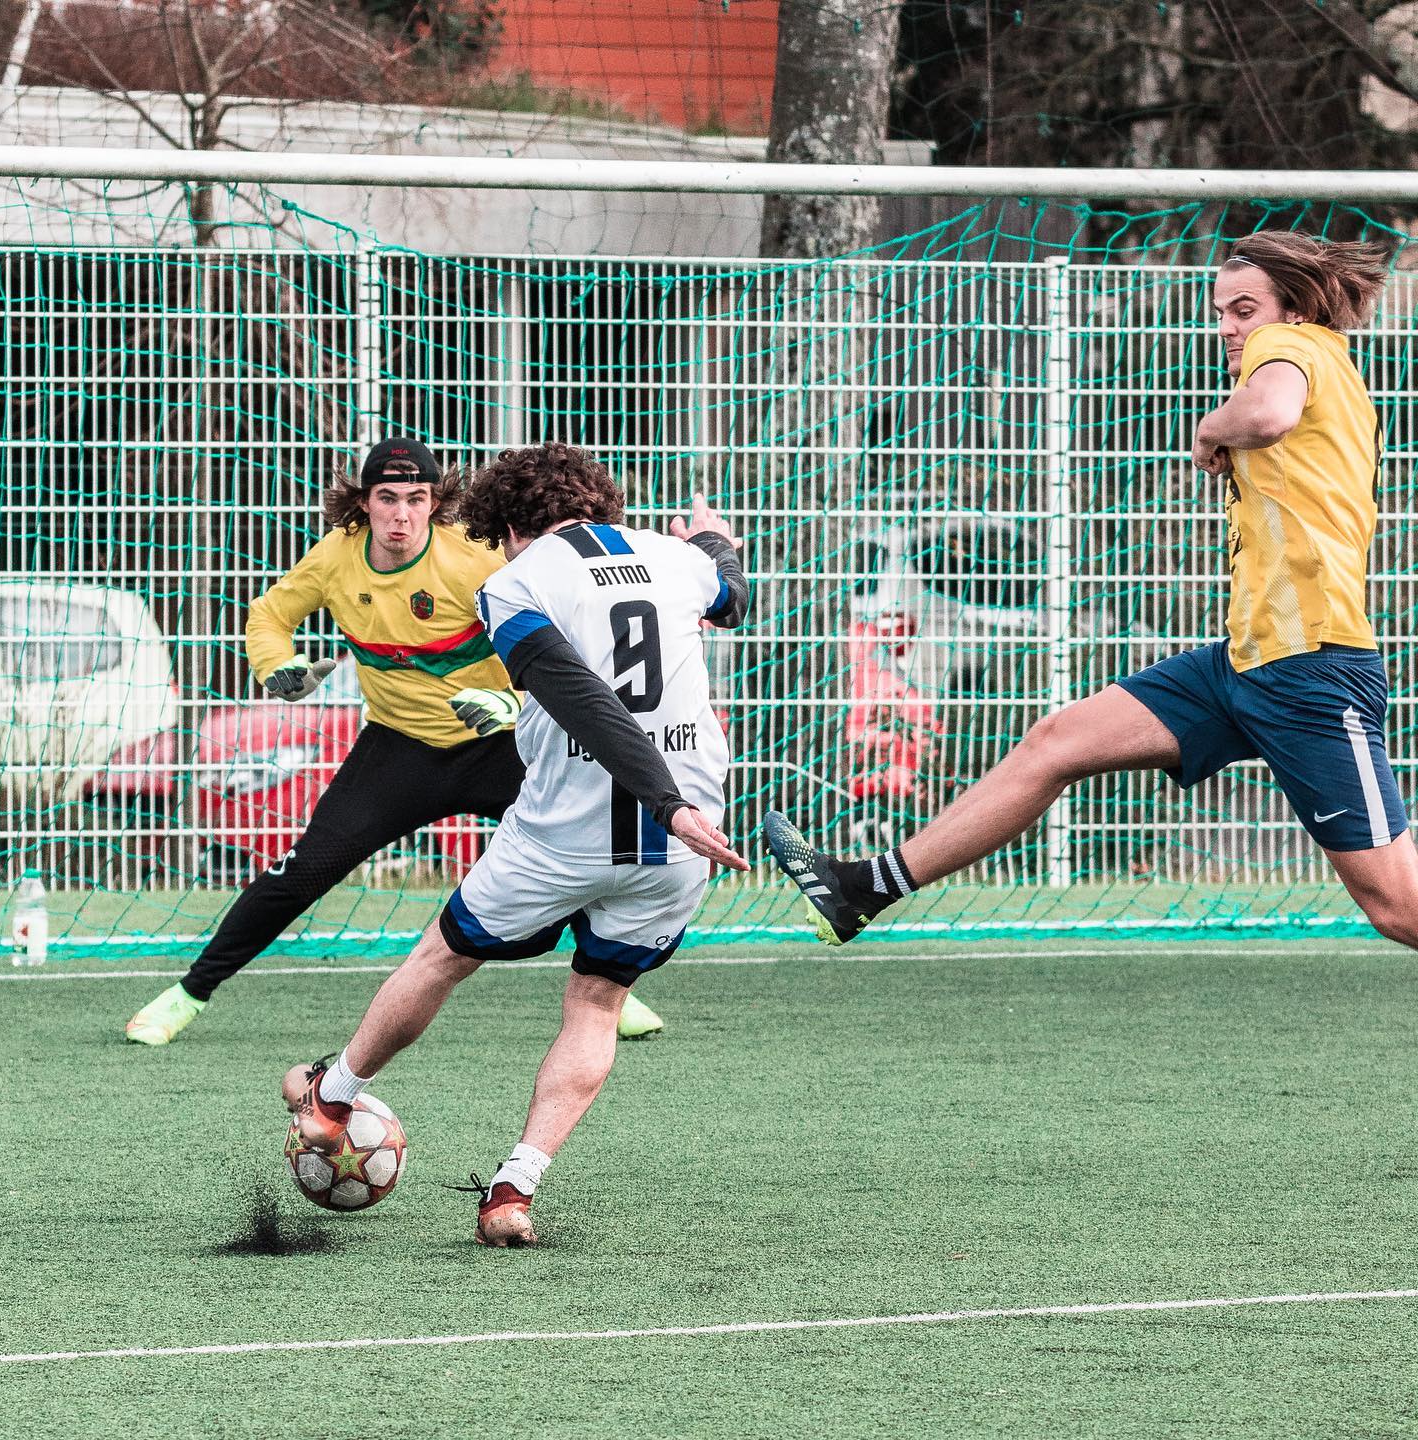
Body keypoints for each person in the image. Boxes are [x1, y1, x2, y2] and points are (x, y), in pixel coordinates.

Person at [765, 231, 1417, 951]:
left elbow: (1267, 415)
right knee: (1056, 743)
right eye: (1220, 313)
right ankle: (862, 890)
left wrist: (1208, 430)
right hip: (1243, 663)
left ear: (1294, 310)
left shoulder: (1292, 347)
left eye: (1245, 310)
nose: (1230, 328)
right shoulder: (1322, 366)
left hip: (1311, 671)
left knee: (1398, 908)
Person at [282, 442, 749, 1246]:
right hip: (682, 844)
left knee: (442, 956)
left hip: (570, 832)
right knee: (598, 1001)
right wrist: (716, 543)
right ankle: (512, 1193)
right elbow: (732, 596)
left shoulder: (516, 581)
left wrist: (663, 800)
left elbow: (578, 696)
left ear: (505, 527)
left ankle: (331, 1099)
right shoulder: (674, 559)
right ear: (597, 504)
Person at [124, 436, 665, 1045]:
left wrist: (514, 702)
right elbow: (269, 615)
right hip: (398, 751)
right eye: (387, 498)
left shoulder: (477, 557)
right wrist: (275, 665)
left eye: (416, 498)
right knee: (302, 872)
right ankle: (187, 994)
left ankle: (608, 992)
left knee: (576, 855)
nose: (401, 515)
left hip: (501, 744)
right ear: (364, 502)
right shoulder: (336, 558)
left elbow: (569, 640)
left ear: (436, 503)